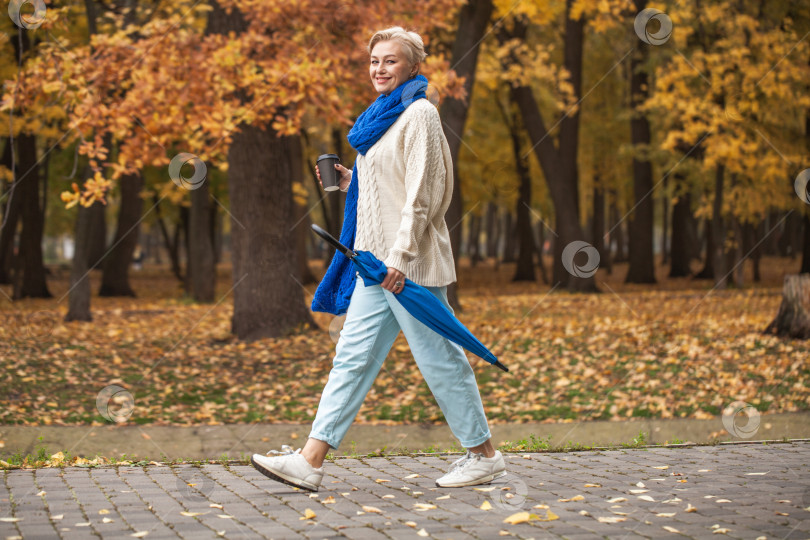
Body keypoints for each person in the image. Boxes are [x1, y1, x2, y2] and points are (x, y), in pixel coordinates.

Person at [251, 26, 505, 492]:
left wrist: (402, 258)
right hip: (374, 265)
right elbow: (389, 189)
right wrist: (354, 182)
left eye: (390, 61)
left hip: (408, 268)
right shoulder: (380, 119)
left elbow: (422, 196)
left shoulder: (420, 114)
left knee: (441, 360)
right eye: (374, 61)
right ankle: (310, 460)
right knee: (351, 358)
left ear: (412, 66)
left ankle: (483, 456)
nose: (379, 69)